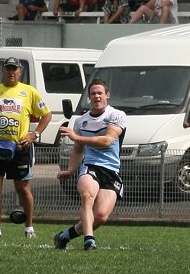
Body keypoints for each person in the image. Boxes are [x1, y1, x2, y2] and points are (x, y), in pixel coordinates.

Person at [0, 57, 52, 239]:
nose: (11, 72)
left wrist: (34, 134)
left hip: (20, 148)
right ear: (3, 70)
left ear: (20, 72)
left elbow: (46, 115)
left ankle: (29, 227)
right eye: (8, 69)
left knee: (22, 188)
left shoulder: (29, 92)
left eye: (15, 69)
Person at [54, 79, 126, 251]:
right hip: (90, 166)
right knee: (87, 196)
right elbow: (78, 150)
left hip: (111, 170)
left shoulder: (116, 115)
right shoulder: (81, 121)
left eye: (100, 93)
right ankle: (89, 241)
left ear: (107, 95)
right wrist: (71, 170)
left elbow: (107, 140)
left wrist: (76, 137)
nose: (96, 96)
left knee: (100, 216)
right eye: (93, 94)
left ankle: (64, 236)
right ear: (89, 98)